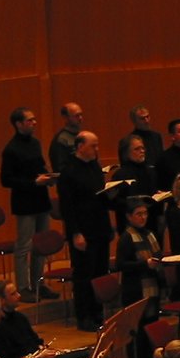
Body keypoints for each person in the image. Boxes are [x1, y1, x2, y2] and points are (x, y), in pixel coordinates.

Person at [57, 131, 112, 332]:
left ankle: (97, 313)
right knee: (84, 276)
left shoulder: (95, 167)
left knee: (99, 273)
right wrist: (75, 233)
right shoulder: (69, 172)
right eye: (93, 146)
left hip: (100, 228)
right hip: (83, 232)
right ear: (80, 146)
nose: (97, 150)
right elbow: (67, 207)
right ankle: (84, 316)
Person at [0, 105, 54, 298]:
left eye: (34, 119)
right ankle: (23, 287)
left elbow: (39, 166)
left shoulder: (35, 143)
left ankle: (39, 284)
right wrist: (33, 182)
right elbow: (6, 180)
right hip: (24, 203)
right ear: (19, 124)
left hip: (40, 200)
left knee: (41, 245)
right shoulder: (11, 149)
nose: (34, 123)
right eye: (30, 120)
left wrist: (48, 177)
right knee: (24, 246)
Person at [119, 104, 164, 170]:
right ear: (134, 121)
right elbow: (125, 166)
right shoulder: (128, 141)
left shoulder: (157, 136)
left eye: (147, 117)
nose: (147, 121)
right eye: (142, 118)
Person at [48, 101, 84, 173]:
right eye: (77, 115)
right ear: (65, 118)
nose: (80, 118)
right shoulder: (61, 140)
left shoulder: (84, 136)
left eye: (81, 115)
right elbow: (59, 168)